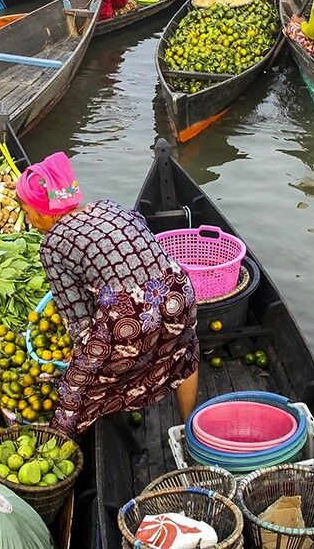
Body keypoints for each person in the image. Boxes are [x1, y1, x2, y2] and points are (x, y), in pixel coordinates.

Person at [14, 152, 199, 439]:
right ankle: (191, 432)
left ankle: (56, 447)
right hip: (177, 290)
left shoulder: (52, 243)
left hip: (133, 315)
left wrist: (85, 364)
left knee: (76, 388)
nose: (28, 219)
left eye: (27, 211)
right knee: (183, 352)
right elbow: (137, 236)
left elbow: (78, 320)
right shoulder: (106, 206)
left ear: (41, 210)